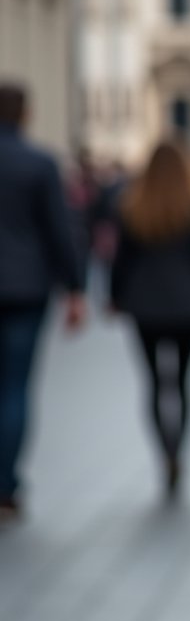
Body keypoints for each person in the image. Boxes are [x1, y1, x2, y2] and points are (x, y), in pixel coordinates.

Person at [110, 139, 190, 497]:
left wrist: (115, 296)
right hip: (189, 304)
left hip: (145, 304)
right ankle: (179, 450)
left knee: (155, 383)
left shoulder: (133, 205)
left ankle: (164, 452)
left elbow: (121, 260)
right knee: (184, 383)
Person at [0, 83, 87, 519]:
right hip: (25, 288)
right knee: (14, 387)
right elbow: (60, 230)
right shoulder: (39, 164)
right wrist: (75, 289)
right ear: (26, 114)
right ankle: (6, 486)